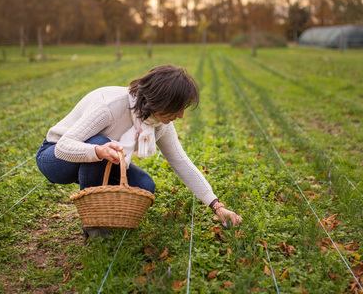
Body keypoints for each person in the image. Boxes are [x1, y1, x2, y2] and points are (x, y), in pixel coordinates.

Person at [35, 64, 242, 238]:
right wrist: (98, 150)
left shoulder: (159, 123)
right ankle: (94, 224)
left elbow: (181, 161)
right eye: (177, 108)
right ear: (160, 100)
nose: (180, 115)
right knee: (104, 143)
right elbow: (63, 146)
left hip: (99, 160)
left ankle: (106, 208)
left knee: (145, 186)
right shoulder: (110, 106)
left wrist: (216, 205)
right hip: (54, 158)